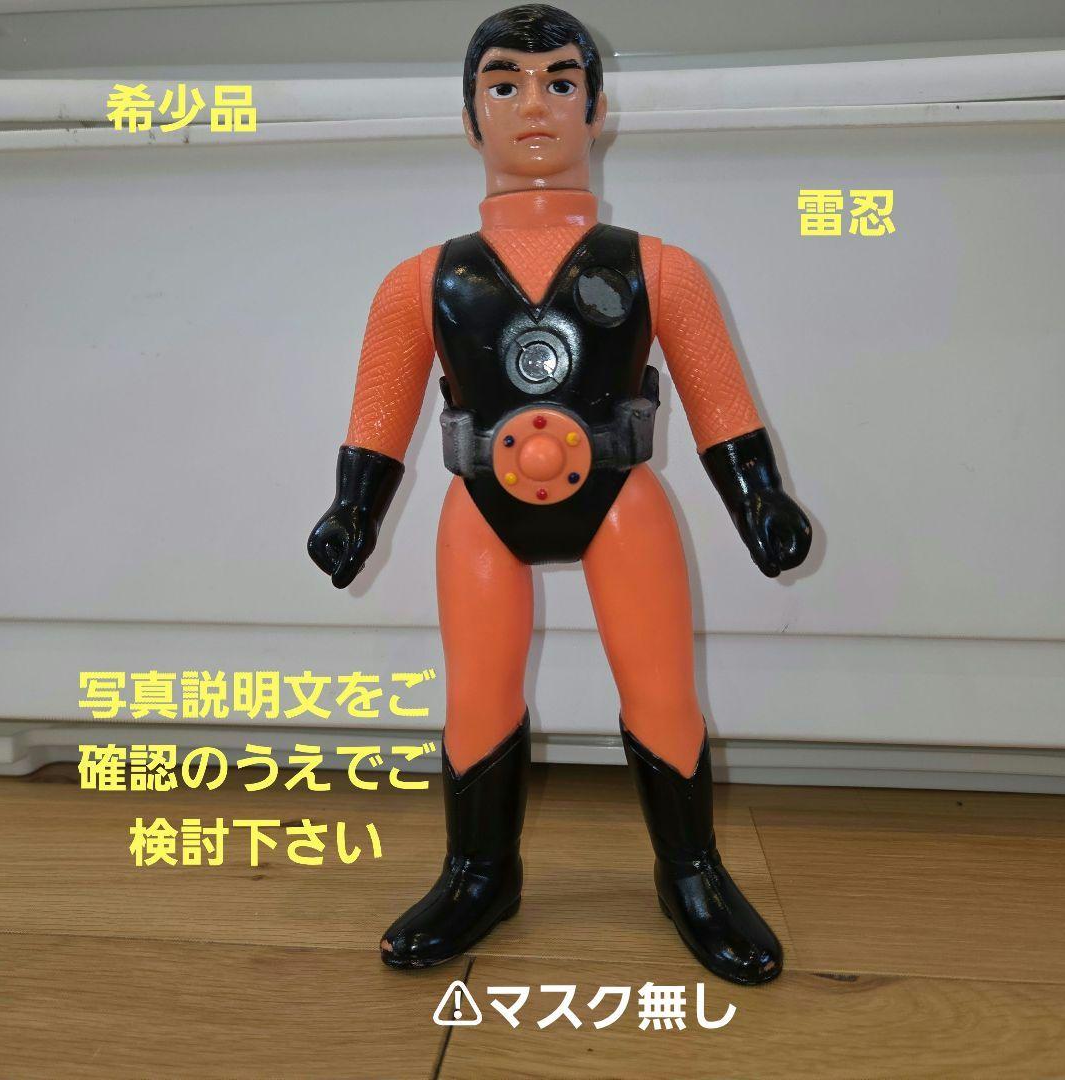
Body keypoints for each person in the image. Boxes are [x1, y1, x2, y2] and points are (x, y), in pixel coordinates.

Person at [308, 3, 811, 987]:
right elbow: (379, 411)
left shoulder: (661, 270)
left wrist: (760, 496)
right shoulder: (422, 283)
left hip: (619, 496)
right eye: (504, 83)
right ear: (470, 118)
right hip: (481, 506)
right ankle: (479, 872)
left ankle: (691, 872)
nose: (533, 104)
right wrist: (352, 508)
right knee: (478, 691)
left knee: (660, 686)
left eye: (560, 82)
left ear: (597, 109)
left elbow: (722, 403)